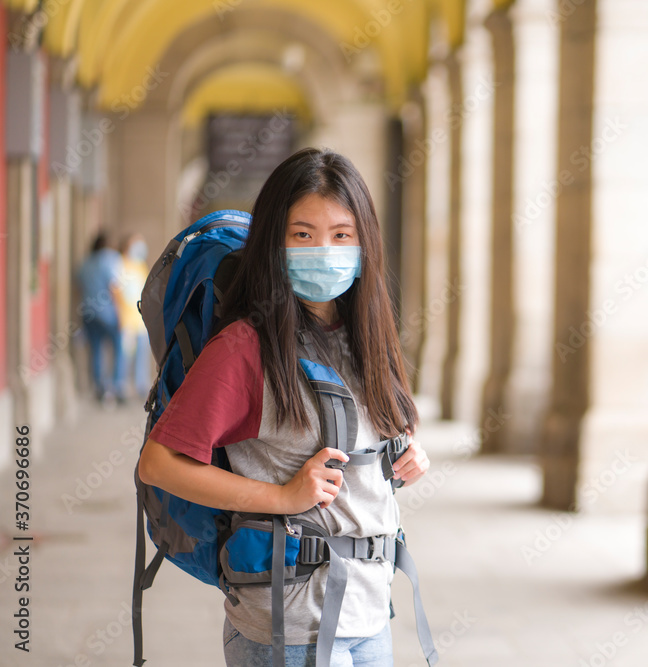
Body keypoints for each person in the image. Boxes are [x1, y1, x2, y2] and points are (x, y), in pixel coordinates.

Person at [136, 148, 430, 667]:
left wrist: (407, 454)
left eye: (342, 234)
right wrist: (282, 495)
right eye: (303, 234)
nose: (325, 249)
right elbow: (158, 464)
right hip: (290, 627)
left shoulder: (368, 337)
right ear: (275, 243)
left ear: (365, 243)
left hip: (369, 615)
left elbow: (368, 436)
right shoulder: (245, 347)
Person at [76, 231, 126, 404]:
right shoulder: (111, 258)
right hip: (109, 313)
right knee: (119, 348)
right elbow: (115, 288)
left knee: (96, 350)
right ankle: (117, 386)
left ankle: (100, 388)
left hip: (89, 313)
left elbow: (79, 286)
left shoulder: (85, 263)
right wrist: (121, 314)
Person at [117, 233, 152, 398]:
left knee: (142, 356)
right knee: (124, 357)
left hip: (141, 320)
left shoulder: (140, 266)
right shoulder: (120, 264)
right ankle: (121, 388)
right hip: (126, 321)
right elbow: (116, 291)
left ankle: (141, 386)